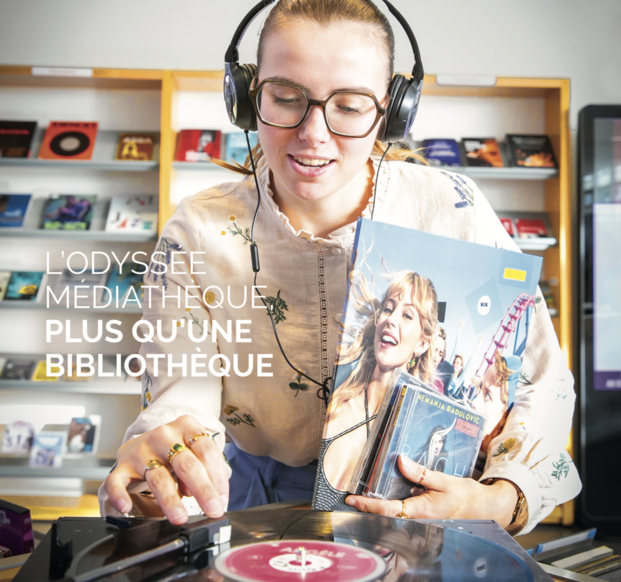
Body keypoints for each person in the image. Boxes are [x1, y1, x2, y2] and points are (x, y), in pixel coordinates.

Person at [101, 0, 580, 535]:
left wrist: (501, 500)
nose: (313, 132)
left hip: (426, 510)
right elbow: (179, 404)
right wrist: (164, 473)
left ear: (391, 112)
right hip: (255, 508)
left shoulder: (454, 210)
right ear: (247, 98)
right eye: (286, 98)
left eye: (350, 107)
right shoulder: (196, 231)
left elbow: (543, 383)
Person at [316, 270, 436, 506]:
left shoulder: (412, 439)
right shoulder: (335, 389)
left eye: (407, 315)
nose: (391, 319)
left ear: (422, 344)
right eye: (388, 309)